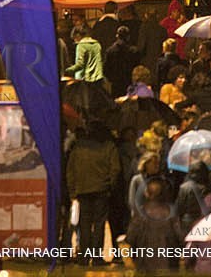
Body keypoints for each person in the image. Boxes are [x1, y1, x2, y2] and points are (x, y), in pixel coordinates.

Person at [66, 123, 121, 265]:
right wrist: (110, 187)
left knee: (84, 224)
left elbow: (70, 171)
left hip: (82, 191)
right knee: (99, 225)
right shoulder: (109, 147)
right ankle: (96, 257)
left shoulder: (78, 148)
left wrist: (73, 191)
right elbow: (115, 170)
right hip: (101, 191)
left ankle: (84, 257)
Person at [124, 177, 184, 272]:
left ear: (147, 194)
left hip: (144, 266)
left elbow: (131, 238)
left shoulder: (139, 214)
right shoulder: (171, 213)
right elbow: (180, 238)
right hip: (169, 265)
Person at [105, 25, 141, 94]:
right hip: (130, 83)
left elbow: (106, 69)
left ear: (117, 36)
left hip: (116, 84)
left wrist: (112, 78)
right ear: (128, 37)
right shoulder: (134, 51)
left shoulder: (110, 51)